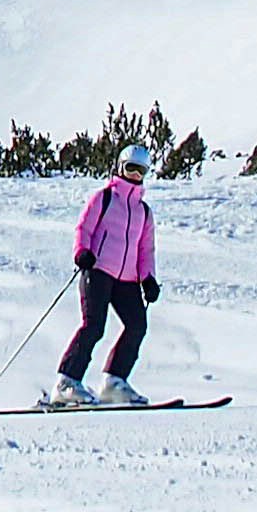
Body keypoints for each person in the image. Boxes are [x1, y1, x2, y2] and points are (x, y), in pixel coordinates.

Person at [50, 141, 160, 405]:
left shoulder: (143, 212)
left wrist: (148, 279)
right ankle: (66, 382)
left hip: (127, 279)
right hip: (97, 269)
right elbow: (84, 228)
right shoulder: (105, 198)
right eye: (131, 168)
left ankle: (114, 381)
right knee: (94, 326)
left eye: (141, 171)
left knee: (137, 325)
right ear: (120, 167)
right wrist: (82, 252)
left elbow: (146, 249)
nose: (135, 175)